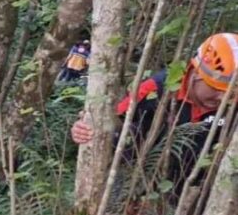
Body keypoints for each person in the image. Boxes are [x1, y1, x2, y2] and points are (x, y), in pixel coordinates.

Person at [70, 33, 238, 189]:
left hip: (201, 191)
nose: (223, 99)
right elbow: (110, 120)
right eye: (217, 89)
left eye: (231, 94)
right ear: (197, 73)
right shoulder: (157, 88)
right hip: (141, 184)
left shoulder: (232, 105)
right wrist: (84, 129)